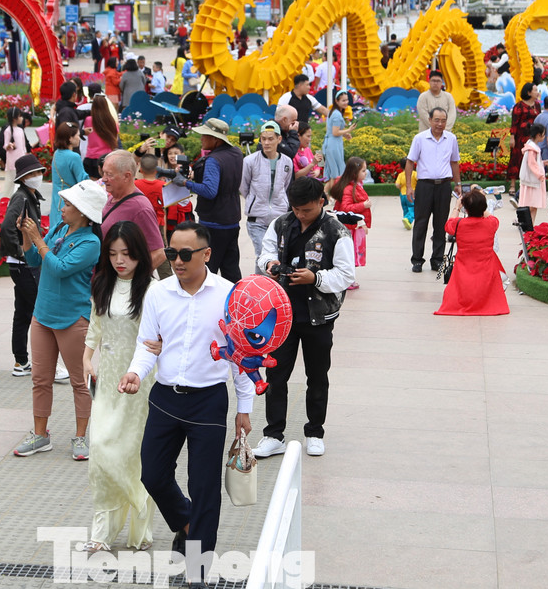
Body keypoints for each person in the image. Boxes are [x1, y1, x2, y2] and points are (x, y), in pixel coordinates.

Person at [119, 222, 254, 586]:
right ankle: (187, 522)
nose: (175, 260)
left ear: (206, 254)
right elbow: (147, 345)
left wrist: (244, 409)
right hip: (164, 398)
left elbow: (241, 357)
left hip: (208, 401)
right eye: (171, 252)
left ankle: (197, 571)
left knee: (204, 486)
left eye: (185, 254)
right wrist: (135, 373)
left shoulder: (229, 295)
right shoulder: (158, 294)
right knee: (153, 474)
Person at [253, 176, 354, 458]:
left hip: (319, 317)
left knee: (317, 375)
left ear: (321, 202)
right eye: (296, 209)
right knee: (275, 374)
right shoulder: (282, 223)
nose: (300, 214)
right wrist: (270, 264)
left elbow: (347, 275)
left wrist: (316, 277)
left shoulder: (337, 231)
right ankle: (274, 435)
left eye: (306, 210)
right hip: (282, 313)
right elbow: (265, 253)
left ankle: (315, 431)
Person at [81, 222, 159, 554]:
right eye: (112, 254)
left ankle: (140, 520)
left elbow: (159, 338)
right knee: (99, 449)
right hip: (107, 379)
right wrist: (87, 358)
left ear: (140, 253)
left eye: (126, 254)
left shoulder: (153, 290)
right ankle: (102, 530)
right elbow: (96, 324)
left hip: (139, 383)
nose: (119, 261)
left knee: (131, 454)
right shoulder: (103, 283)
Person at [14, 180, 105, 460]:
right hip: (43, 314)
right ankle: (40, 435)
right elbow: (35, 259)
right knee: (40, 380)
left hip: (72, 318)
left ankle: (81, 438)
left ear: (83, 212)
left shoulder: (91, 242)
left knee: (79, 382)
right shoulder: (60, 230)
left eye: (67, 205)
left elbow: (61, 267)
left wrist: (40, 241)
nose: (62, 208)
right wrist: (28, 237)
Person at [177, 118, 244, 281]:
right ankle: (236, 303)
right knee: (231, 270)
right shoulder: (236, 152)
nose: (201, 139)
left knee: (208, 270)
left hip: (213, 223)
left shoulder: (214, 160)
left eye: (204, 135)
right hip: (232, 219)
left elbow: (209, 190)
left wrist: (186, 182)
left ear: (215, 139)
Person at [0, 154, 47, 378]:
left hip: (21, 263)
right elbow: (7, 228)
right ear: (23, 178)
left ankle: (21, 361)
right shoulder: (20, 198)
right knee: (38, 311)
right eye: (32, 174)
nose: (37, 177)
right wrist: (22, 253)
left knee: (23, 312)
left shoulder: (30, 196)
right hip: (22, 265)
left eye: (38, 173)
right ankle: (39, 361)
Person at [435, 187, 509, 316]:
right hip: (486, 266)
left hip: (464, 265)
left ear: (466, 209)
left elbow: (448, 224)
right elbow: (490, 217)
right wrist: (479, 204)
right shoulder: (491, 223)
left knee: (464, 287)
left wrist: (457, 206)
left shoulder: (459, 224)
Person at [404, 108, 461, 274]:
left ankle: (437, 260)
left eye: (443, 120)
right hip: (424, 186)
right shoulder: (420, 138)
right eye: (436, 120)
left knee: (440, 225)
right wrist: (409, 186)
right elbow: (410, 162)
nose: (440, 124)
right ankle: (417, 260)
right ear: (430, 120)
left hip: (444, 186)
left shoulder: (451, 139)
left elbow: (454, 162)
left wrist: (458, 183)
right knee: (421, 223)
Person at [100, 150, 168, 273]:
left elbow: (159, 253)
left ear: (127, 176)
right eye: (103, 173)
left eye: (109, 174)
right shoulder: (112, 196)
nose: (104, 179)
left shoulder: (140, 208)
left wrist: (127, 280)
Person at [240, 121, 295, 258]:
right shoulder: (250, 161)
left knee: (279, 255)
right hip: (257, 218)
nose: (266, 143)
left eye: (270, 139)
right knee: (262, 255)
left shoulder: (287, 161)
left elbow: (286, 184)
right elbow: (243, 185)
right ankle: (261, 280)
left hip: (278, 216)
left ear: (279, 139)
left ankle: (274, 280)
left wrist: (281, 202)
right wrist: (255, 199)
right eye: (263, 139)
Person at [50, 121, 86, 227]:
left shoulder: (56, 154)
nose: (79, 138)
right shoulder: (74, 157)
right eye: (78, 135)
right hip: (70, 201)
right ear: (70, 138)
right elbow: (83, 181)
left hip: (57, 201)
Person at [505, 83, 538, 199]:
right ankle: (513, 185)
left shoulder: (537, 105)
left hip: (533, 138)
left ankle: (528, 185)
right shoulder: (519, 106)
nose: (537, 92)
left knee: (532, 160)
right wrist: (512, 137)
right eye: (535, 90)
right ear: (529, 92)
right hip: (520, 138)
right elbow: (514, 123)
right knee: (516, 159)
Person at [0, 107, 32, 198]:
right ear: (14, 118)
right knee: (10, 181)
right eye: (20, 116)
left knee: (21, 181)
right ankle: (7, 199)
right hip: (12, 161)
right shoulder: (8, 131)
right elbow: (5, 145)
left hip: (21, 160)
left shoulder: (20, 130)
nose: (22, 118)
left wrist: (25, 157)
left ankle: (19, 199)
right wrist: (9, 145)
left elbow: (23, 147)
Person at [160, 144, 194, 236]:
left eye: (176, 153)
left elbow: (189, 177)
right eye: (170, 153)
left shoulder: (186, 169)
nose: (172, 156)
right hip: (169, 209)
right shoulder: (164, 169)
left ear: (182, 155)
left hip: (183, 209)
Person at [518, 123, 548, 225]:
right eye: (543, 134)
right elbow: (532, 163)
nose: (544, 137)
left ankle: (530, 225)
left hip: (531, 180)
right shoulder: (532, 149)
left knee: (532, 206)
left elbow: (534, 162)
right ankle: (529, 225)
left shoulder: (530, 146)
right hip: (533, 181)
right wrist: (540, 175)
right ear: (538, 135)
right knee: (532, 205)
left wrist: (544, 163)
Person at [84, 95, 120, 180]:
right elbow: (116, 139)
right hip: (107, 157)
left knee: (93, 186)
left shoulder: (88, 120)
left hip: (91, 156)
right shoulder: (111, 121)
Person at [321, 90, 353, 182]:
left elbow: (332, 131)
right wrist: (349, 130)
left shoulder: (333, 112)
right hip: (334, 145)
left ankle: (329, 193)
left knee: (333, 172)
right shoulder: (337, 114)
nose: (346, 102)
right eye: (343, 100)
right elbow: (335, 132)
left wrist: (345, 134)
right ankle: (332, 193)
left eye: (346, 100)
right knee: (336, 173)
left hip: (331, 143)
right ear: (337, 101)